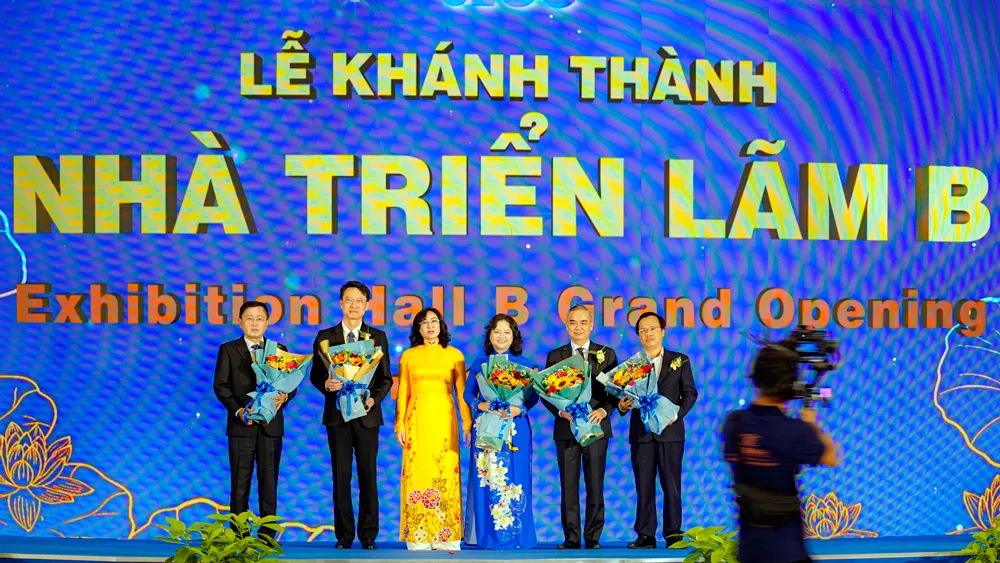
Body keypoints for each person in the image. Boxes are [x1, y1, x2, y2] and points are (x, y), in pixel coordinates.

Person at [722, 343, 839, 563]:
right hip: (788, 552)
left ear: (756, 378)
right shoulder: (796, 431)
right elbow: (831, 457)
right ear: (790, 385)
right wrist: (811, 424)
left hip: (749, 552)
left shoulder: (733, 423)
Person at [309, 281, 392, 550]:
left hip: (367, 416)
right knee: (341, 475)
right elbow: (315, 375)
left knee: (368, 475)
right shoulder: (325, 337)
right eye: (349, 300)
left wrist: (373, 399)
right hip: (337, 416)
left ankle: (368, 535)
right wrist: (326, 384)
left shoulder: (377, 337)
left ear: (367, 305)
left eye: (359, 301)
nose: (354, 305)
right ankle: (344, 535)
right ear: (341, 303)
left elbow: (385, 379)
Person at [212, 301, 294, 538]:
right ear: (240, 322)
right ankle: (239, 535)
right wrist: (238, 410)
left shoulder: (279, 349)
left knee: (269, 482)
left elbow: (290, 384)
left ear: (267, 322)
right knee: (240, 482)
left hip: (271, 426)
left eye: (260, 318)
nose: (255, 323)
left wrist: (284, 397)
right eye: (249, 318)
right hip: (241, 425)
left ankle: (268, 535)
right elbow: (221, 386)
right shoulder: (229, 349)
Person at [395, 307, 473, 550]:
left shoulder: (454, 355)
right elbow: (403, 392)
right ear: (418, 328)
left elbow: (462, 393)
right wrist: (399, 424)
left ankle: (446, 535)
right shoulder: (408, 356)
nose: (430, 326)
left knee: (445, 472)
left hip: (444, 421)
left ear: (441, 325)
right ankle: (418, 534)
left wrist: (468, 424)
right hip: (416, 420)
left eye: (434, 321)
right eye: (424, 322)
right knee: (417, 472)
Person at [618, 312, 698, 548]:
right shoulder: (631, 365)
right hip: (641, 434)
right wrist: (622, 405)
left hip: (670, 434)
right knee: (643, 486)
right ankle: (646, 535)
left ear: (662, 331)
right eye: (643, 330)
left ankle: (673, 534)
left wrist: (675, 415)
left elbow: (690, 393)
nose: (648, 333)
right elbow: (621, 397)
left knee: (671, 485)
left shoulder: (680, 360)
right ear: (638, 335)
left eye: (653, 328)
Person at [543, 303, 619, 550]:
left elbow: (615, 391)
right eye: (573, 322)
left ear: (591, 325)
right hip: (566, 429)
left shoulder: (607, 354)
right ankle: (571, 537)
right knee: (569, 486)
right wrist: (560, 411)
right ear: (566, 325)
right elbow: (546, 392)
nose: (578, 327)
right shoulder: (555, 356)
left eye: (583, 322)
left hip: (596, 428)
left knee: (595, 484)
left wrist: (603, 410)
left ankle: (593, 537)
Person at [463, 314, 538, 550]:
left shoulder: (525, 364)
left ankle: (517, 537)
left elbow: (534, 397)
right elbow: (467, 394)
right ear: (489, 336)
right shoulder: (479, 364)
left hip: (516, 428)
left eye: (507, 332)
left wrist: (519, 409)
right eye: (497, 332)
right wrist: (481, 405)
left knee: (517, 477)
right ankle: (489, 537)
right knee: (488, 479)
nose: (502, 336)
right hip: (487, 426)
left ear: (514, 336)